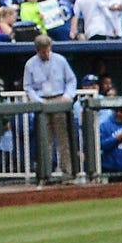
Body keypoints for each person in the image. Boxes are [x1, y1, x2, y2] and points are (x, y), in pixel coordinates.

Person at [22, 32, 78, 180]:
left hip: (59, 99)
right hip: (42, 102)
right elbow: (27, 87)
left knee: (63, 139)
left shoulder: (60, 60)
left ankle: (68, 173)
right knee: (44, 140)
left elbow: (71, 80)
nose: (46, 54)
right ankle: (46, 174)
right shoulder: (30, 64)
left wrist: (67, 96)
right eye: (43, 51)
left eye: (48, 50)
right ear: (37, 50)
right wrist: (38, 101)